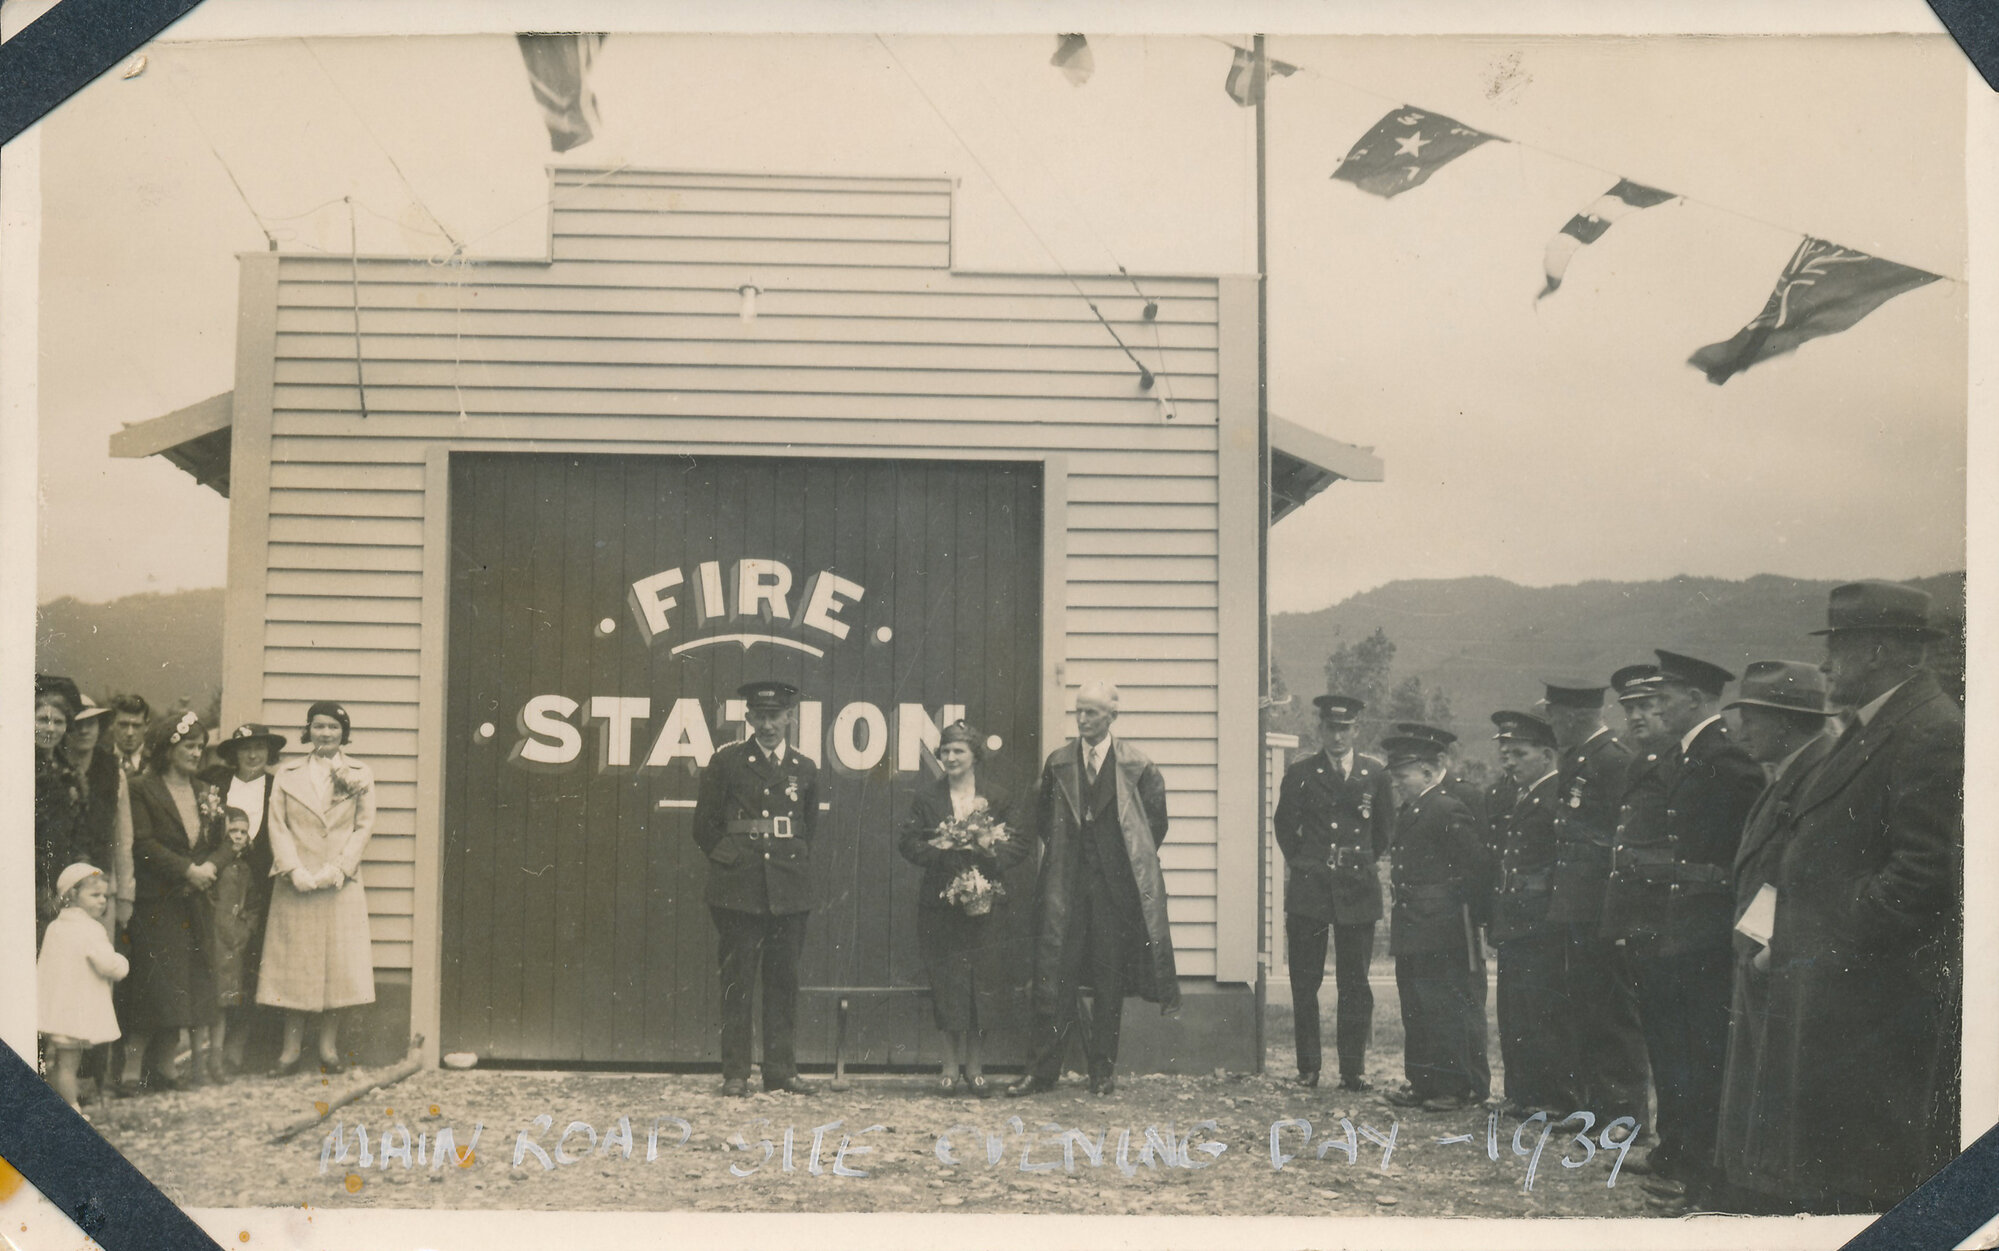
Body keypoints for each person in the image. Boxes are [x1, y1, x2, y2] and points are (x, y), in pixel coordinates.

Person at [1755, 581, 1963, 1212]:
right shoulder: (1874, 726)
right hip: (1837, 994)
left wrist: (1818, 942)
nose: (1825, 664)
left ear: (1877, 651)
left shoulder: (1929, 730)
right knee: (1834, 1175)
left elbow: (1922, 877)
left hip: (1871, 1001)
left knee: (1867, 1182)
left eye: (1837, 648)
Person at [1606, 650, 1763, 1210]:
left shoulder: (1728, 762)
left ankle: (1702, 1172)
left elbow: (1749, 856)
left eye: (1664, 697)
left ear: (1695, 700)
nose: (1655, 706)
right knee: (1671, 1049)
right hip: (1662, 931)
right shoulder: (1676, 756)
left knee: (1703, 1055)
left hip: (1701, 933)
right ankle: (1678, 1152)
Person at [1009, 681, 1176, 1098]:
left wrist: (1116, 868)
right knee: (1055, 978)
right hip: (1065, 889)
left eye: (1092, 714)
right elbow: (1044, 819)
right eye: (1079, 712)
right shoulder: (1060, 763)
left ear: (1112, 717)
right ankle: (1042, 1071)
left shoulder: (1138, 767)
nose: (1083, 720)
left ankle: (1102, 1072)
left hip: (1114, 897)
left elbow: (1153, 828)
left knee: (1108, 981)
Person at [1711, 660, 1837, 1213]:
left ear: (1786, 722)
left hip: (1782, 957)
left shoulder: (1820, 773)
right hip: (1763, 951)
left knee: (1777, 1094)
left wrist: (1768, 950)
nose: (1741, 732)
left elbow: (1806, 870)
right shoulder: (1793, 769)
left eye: (1752, 719)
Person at [692, 681, 820, 1097]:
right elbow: (704, 826)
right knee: (738, 980)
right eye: (760, 716)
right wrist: (731, 860)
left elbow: (807, 828)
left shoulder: (805, 768)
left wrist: (790, 865)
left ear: (790, 719)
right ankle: (735, 1072)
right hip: (739, 888)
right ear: (748, 718)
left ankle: (781, 1071)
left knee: (784, 981)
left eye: (776, 716)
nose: (768, 725)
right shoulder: (727, 762)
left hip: (788, 888)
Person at [897, 720, 1029, 1097]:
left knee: (982, 982)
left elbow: (1018, 842)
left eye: (959, 751)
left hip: (987, 901)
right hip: (941, 903)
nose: (951, 758)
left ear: (974, 757)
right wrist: (943, 849)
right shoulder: (928, 799)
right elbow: (908, 843)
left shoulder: (997, 797)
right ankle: (949, 1065)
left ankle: (976, 1066)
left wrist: (987, 850)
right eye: (946, 751)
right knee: (948, 983)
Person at [1541, 678, 1649, 1130]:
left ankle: (1625, 1114)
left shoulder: (1614, 761)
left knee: (1612, 1011)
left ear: (1571, 717)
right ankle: (1595, 1107)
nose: (1551, 726)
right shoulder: (1580, 759)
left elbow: (1620, 840)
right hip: (1576, 903)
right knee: (1583, 1005)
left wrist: (1616, 910)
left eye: (1553, 716)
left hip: (1602, 907)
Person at [1271, 694, 1392, 1090]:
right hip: (1311, 890)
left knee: (1354, 982)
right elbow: (1285, 827)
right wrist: (1307, 863)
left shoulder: (1375, 775)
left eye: (1345, 729)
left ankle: (1352, 1070)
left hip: (1357, 890)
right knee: (1305, 982)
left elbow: (1383, 832)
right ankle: (1308, 1068)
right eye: (1330, 728)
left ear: (1357, 730)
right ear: (1320, 729)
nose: (1337, 737)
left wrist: (1354, 862)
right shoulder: (1302, 772)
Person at [258, 701, 378, 1076]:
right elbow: (277, 825)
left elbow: (364, 825)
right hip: (297, 883)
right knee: (295, 966)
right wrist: (293, 869)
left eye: (333, 727)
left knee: (338, 968)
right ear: (307, 730)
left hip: (340, 884)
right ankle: (289, 1051)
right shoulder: (287, 773)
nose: (325, 733)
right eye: (318, 726)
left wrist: (338, 869)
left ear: (344, 733)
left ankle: (328, 1049)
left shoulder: (360, 773)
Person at [1379, 729, 1490, 1112]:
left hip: (1441, 926)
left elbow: (1473, 868)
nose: (1396, 781)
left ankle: (1453, 1086)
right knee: (1417, 1004)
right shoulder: (1414, 809)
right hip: (1414, 923)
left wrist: (1462, 917)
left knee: (1443, 1005)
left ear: (1427, 773)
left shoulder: (1446, 808)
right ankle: (1423, 1082)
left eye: (1403, 774)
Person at [122, 710, 227, 1091]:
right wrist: (187, 870)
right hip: (158, 901)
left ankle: (166, 1068)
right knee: (155, 983)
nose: (196, 753)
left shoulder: (206, 791)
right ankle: (131, 1072)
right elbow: (143, 843)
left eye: (200, 747)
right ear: (168, 749)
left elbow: (222, 843)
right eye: (189, 746)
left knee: (186, 982)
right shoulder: (141, 788)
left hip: (195, 900)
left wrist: (210, 867)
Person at [1487, 710, 1574, 1116]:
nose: (1510, 762)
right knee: (1515, 1009)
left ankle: (1551, 1097)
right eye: (1506, 754)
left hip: (1542, 919)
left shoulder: (1556, 794)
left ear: (1547, 754)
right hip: (1516, 916)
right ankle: (1522, 1094)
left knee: (1542, 1010)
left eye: (1519, 753)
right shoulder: (1521, 795)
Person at [202, 723, 285, 1073]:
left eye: (260, 748)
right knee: (217, 959)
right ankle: (210, 1048)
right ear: (234, 754)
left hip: (259, 888)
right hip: (220, 885)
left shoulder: (276, 786)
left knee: (253, 959)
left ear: (269, 753)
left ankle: (240, 1043)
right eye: (245, 748)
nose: (252, 755)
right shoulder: (216, 786)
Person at [35, 864, 129, 1114]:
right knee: (67, 1065)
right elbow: (108, 965)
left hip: (58, 1009)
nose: (102, 902)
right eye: (95, 895)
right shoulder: (91, 929)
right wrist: (122, 963)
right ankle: (72, 1110)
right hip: (75, 1013)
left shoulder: (55, 927)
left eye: (105, 896)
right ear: (73, 895)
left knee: (61, 1063)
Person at [206, 806, 258, 1084]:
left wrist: (246, 927)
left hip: (236, 943)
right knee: (214, 1000)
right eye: (233, 832)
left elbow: (252, 905)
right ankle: (209, 1058)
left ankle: (226, 1057)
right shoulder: (216, 866)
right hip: (215, 938)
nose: (238, 837)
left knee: (232, 998)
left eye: (243, 832)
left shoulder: (247, 870)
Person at [108, 694, 151, 778]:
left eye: (136, 726)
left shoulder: (157, 762)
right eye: (123, 725)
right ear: (111, 724)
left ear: (146, 726)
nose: (129, 733)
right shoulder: (99, 762)